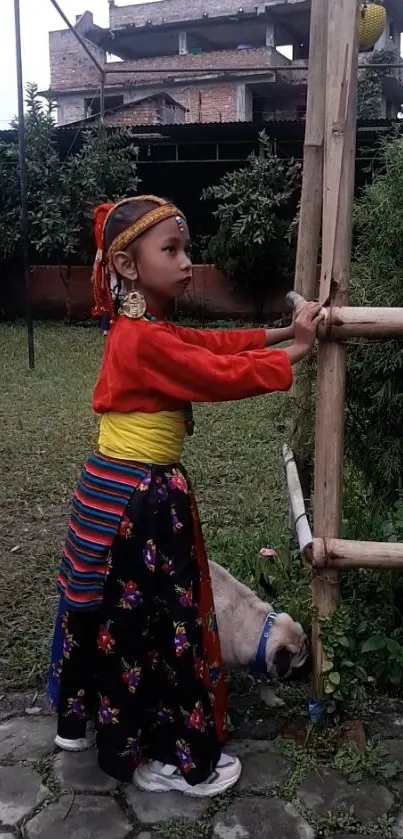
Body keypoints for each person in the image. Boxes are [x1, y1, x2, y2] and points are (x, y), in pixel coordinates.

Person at [48, 194, 322, 798]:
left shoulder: (143, 328)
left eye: (186, 248)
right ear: (125, 265)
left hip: (118, 489)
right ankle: (161, 758)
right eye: (170, 249)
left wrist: (279, 331)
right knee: (155, 625)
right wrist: (295, 353)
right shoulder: (141, 340)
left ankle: (85, 721)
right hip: (139, 501)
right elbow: (213, 374)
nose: (187, 261)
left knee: (106, 611)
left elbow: (208, 345)